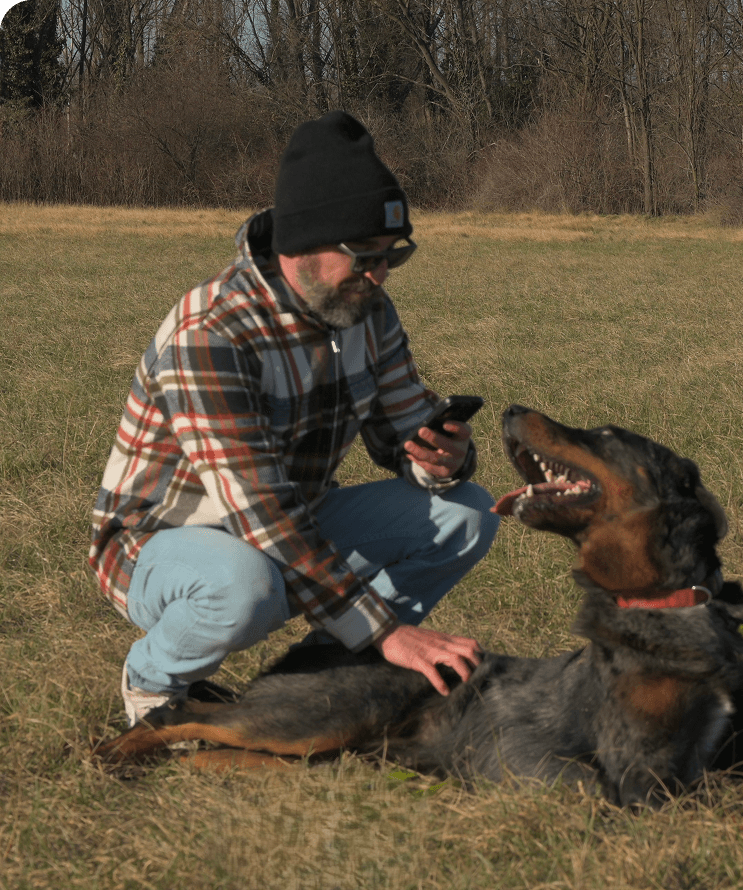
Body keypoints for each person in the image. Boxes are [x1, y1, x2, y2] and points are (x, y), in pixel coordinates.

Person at [88, 111, 500, 726]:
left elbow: (404, 430)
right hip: (161, 544)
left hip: (288, 518)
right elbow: (258, 510)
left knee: (466, 514)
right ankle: (153, 686)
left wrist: (443, 460)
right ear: (302, 245)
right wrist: (386, 631)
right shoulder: (213, 332)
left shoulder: (366, 309)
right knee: (245, 585)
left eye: (393, 256)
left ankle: (319, 673)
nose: (380, 275)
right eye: (364, 258)